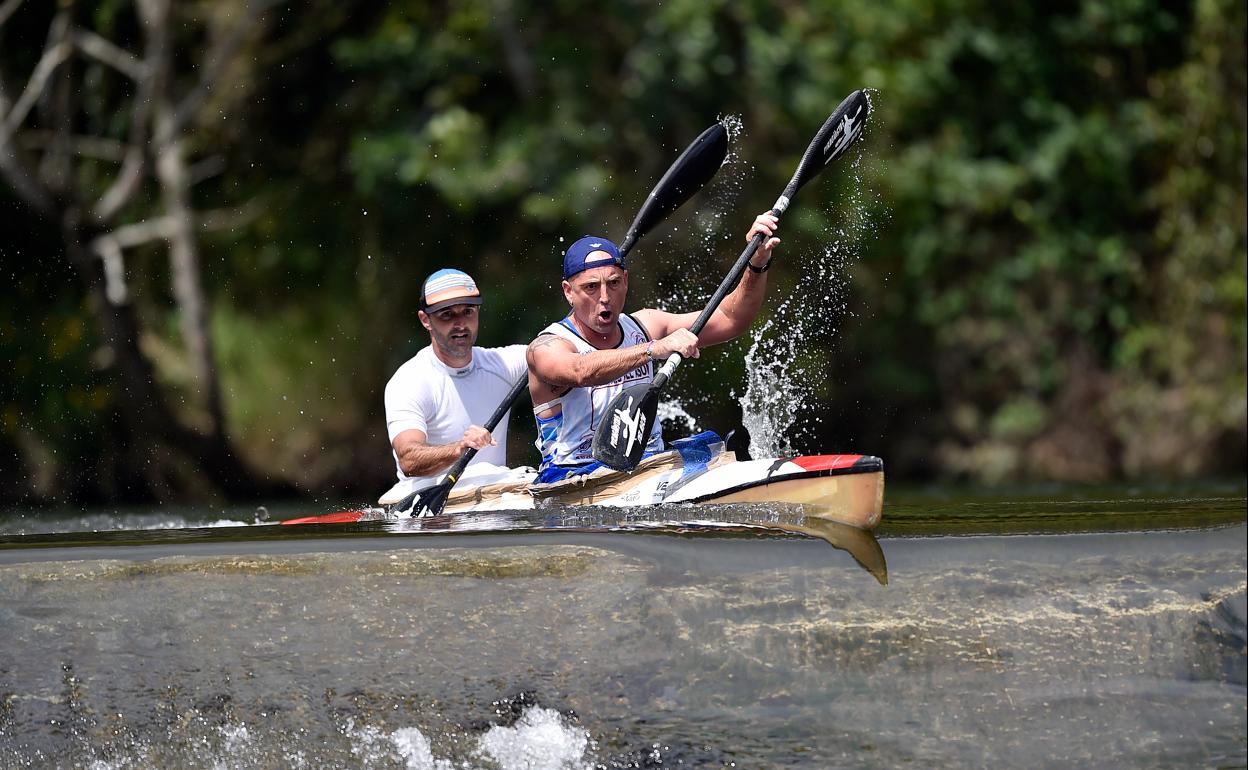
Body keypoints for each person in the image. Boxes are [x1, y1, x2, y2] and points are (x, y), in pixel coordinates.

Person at [526, 212, 780, 483]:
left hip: (648, 465)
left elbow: (731, 319)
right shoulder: (547, 347)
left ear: (626, 280)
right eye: (590, 287)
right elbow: (580, 371)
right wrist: (652, 349)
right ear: (568, 291)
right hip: (573, 477)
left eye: (613, 283)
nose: (604, 297)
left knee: (715, 445)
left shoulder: (645, 324)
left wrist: (756, 265)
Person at [384, 269, 528, 491]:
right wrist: (460, 448)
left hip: (493, 499)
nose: (461, 324)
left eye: (468, 312)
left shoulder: (503, 364)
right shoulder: (409, 381)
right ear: (425, 320)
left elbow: (563, 352)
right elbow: (409, 460)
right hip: (428, 511)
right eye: (447, 315)